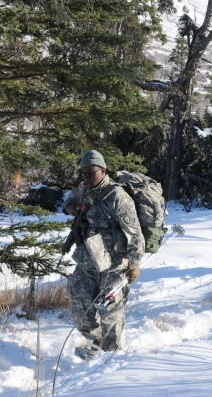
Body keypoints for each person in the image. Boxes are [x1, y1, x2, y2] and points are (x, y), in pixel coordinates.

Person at [62, 150, 144, 358]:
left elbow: (134, 233)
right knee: (79, 305)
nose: (87, 178)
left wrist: (134, 264)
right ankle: (95, 341)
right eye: (83, 174)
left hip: (114, 264)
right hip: (87, 260)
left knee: (111, 313)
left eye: (92, 173)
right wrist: (75, 208)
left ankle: (110, 357)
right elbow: (68, 204)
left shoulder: (118, 196)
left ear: (103, 170)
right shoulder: (83, 190)